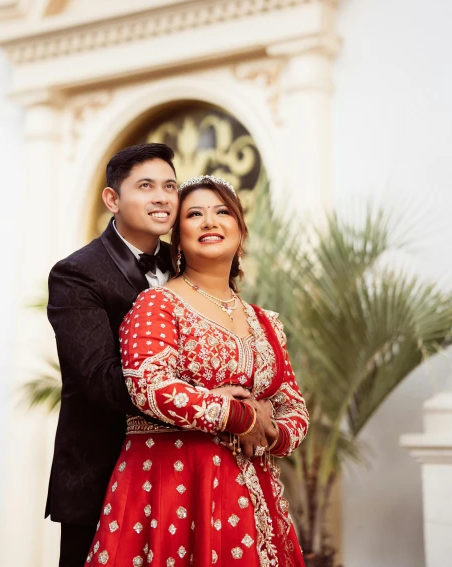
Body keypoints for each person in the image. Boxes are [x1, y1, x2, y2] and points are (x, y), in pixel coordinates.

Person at [86, 175, 309, 567]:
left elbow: (294, 408)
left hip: (255, 496)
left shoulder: (266, 322)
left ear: (241, 231)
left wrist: (269, 431)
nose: (210, 221)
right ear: (178, 235)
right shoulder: (157, 303)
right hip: (172, 489)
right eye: (194, 214)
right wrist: (240, 416)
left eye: (223, 212)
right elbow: (149, 386)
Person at [46, 147, 251, 567]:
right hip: (102, 471)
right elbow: (100, 378)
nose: (162, 198)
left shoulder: (187, 264)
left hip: (182, 472)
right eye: (146, 186)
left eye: (170, 187)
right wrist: (209, 401)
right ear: (112, 200)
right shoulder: (77, 274)